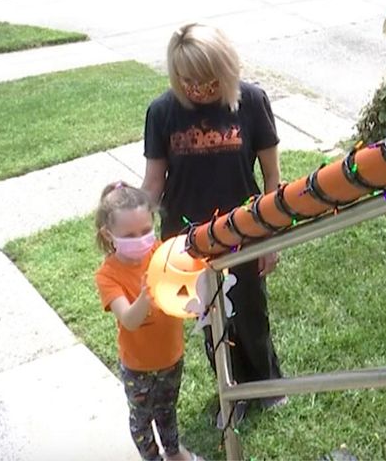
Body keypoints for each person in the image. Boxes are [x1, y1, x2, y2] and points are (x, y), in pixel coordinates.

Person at [141, 23, 286, 424]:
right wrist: (135, 225)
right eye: (188, 81)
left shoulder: (252, 102)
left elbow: (272, 177)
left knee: (251, 312)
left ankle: (269, 383)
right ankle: (232, 392)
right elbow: (154, 183)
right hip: (187, 243)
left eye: (207, 81)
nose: (198, 91)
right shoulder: (162, 112)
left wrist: (271, 235)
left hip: (245, 231)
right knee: (211, 321)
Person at [93, 181, 202, 461]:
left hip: (171, 356)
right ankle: (152, 457)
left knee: (167, 409)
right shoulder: (108, 275)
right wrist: (146, 295)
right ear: (109, 234)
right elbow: (129, 320)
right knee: (141, 420)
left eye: (145, 230)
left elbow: (185, 287)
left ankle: (174, 452)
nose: (141, 239)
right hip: (137, 366)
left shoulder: (161, 254)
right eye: (130, 234)